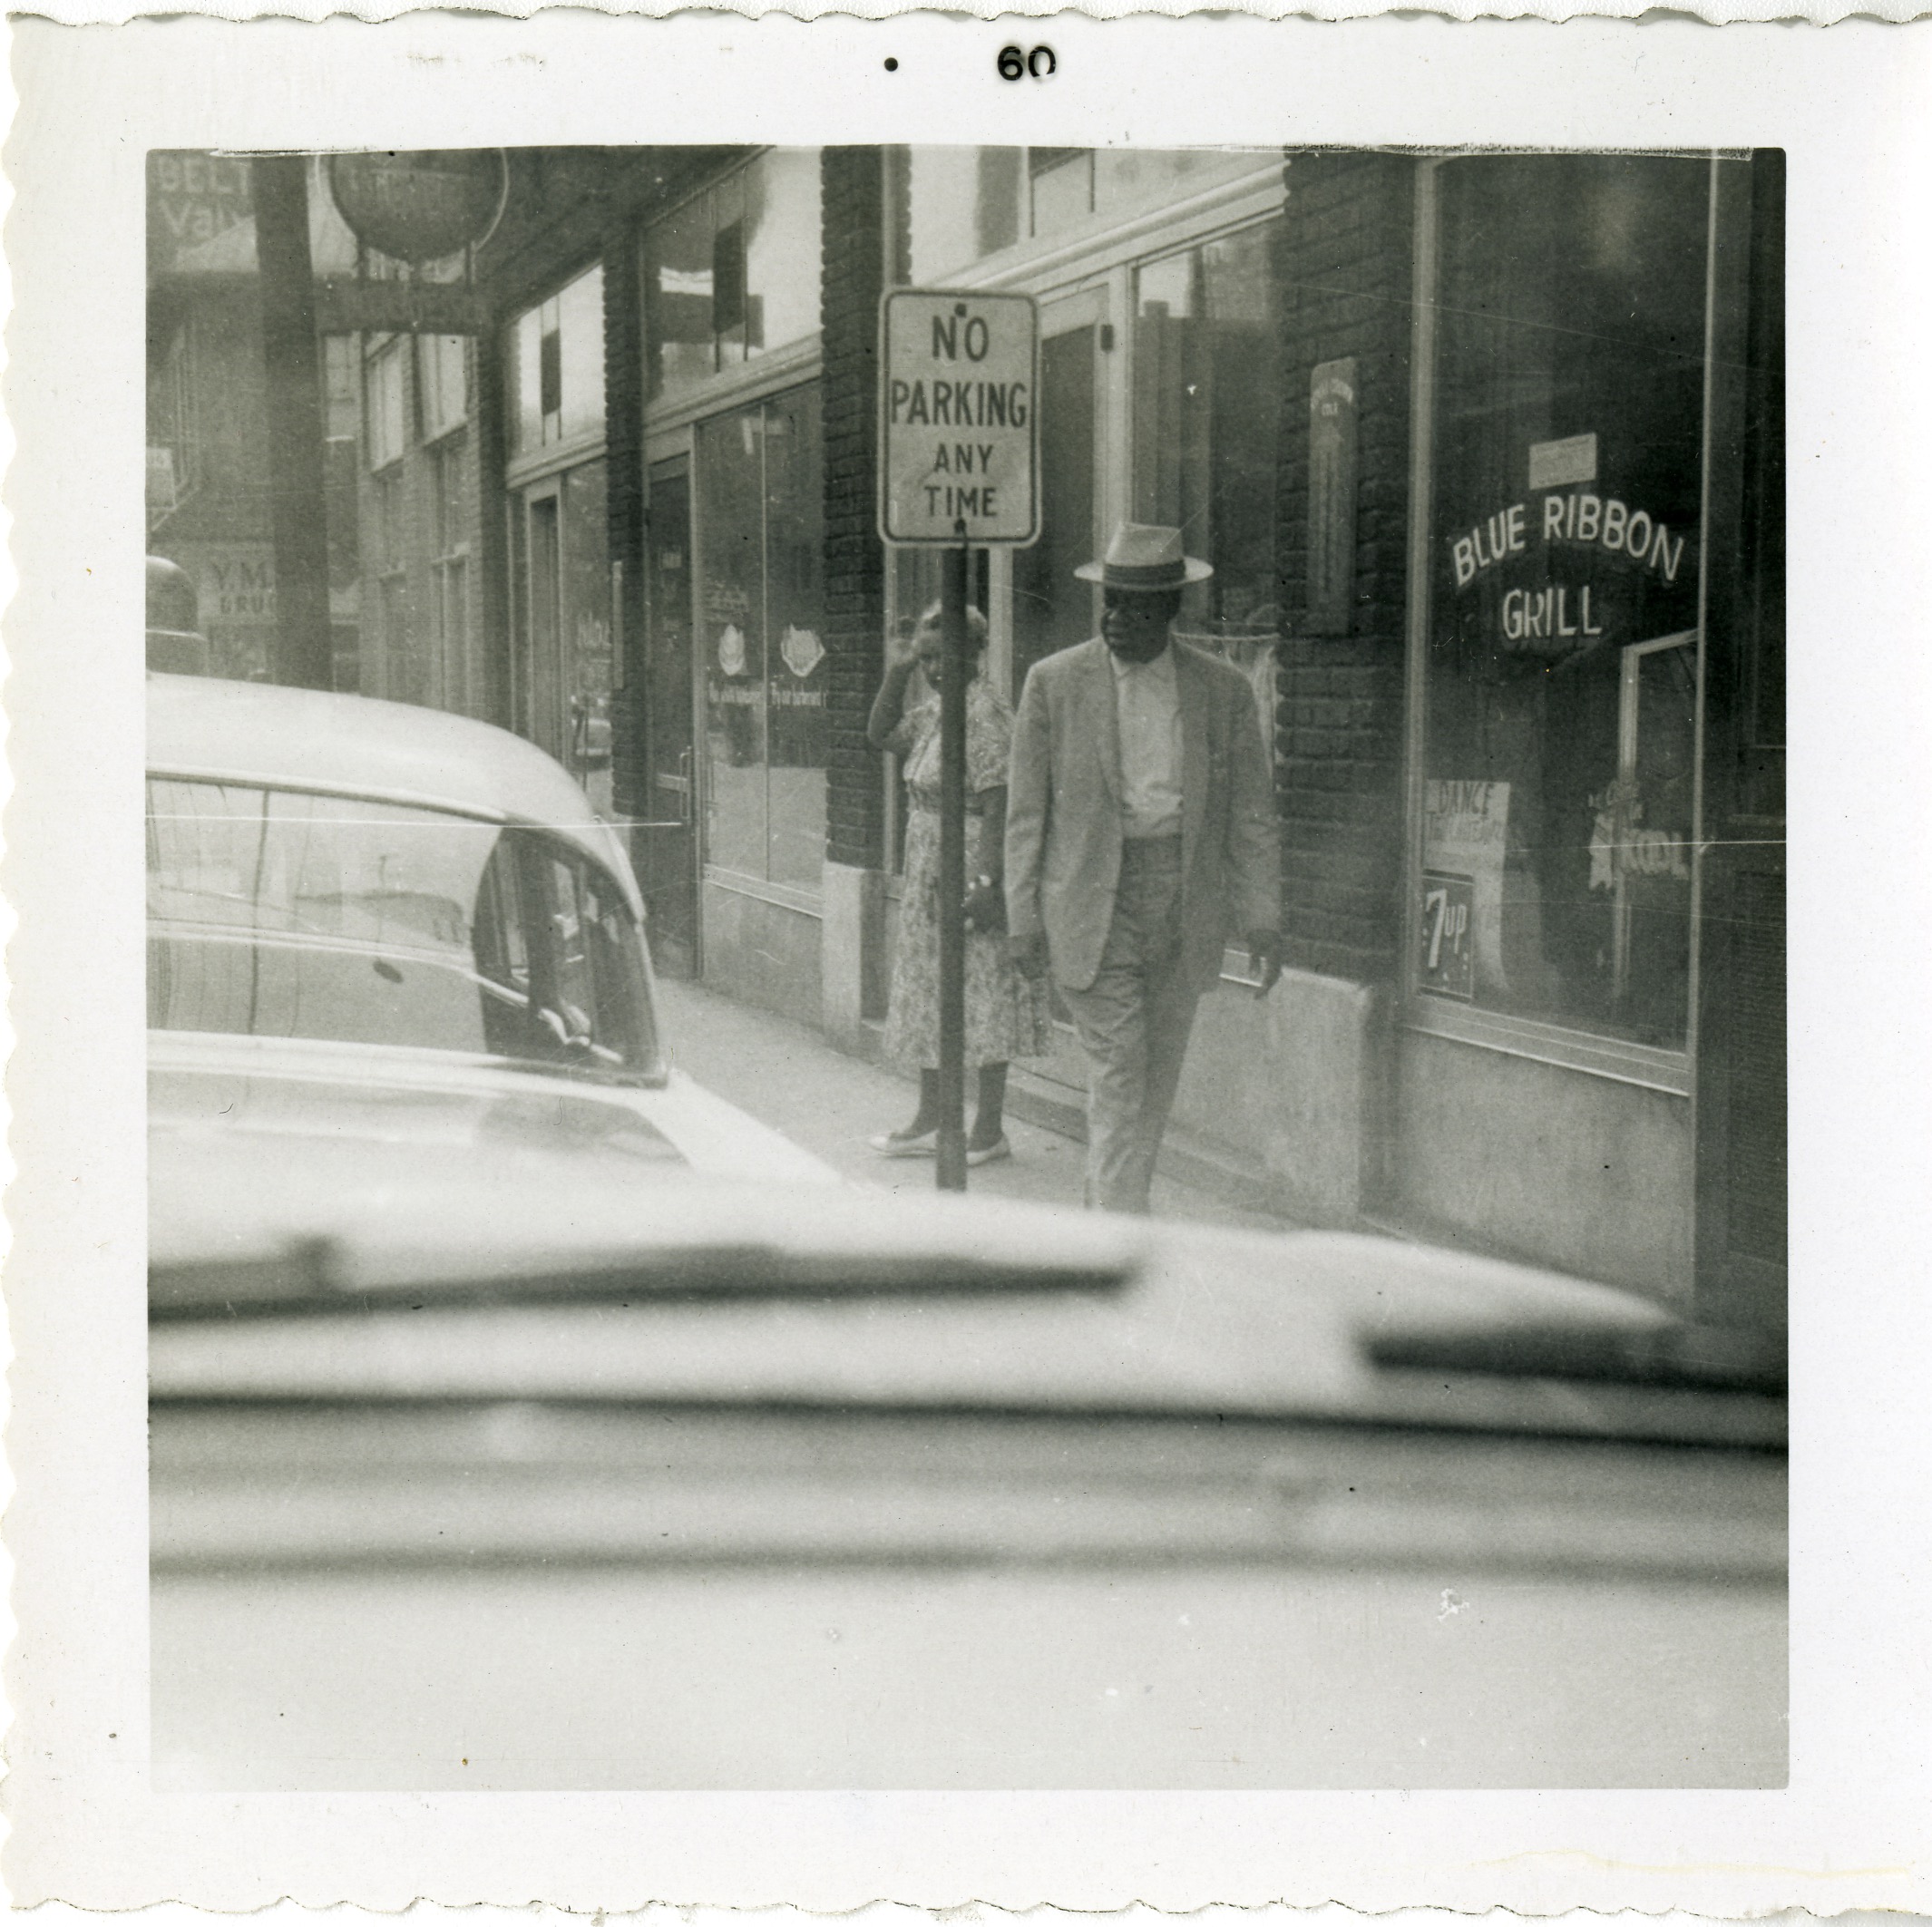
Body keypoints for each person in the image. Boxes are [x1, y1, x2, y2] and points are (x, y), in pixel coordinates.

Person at [1005, 523, 1283, 1213]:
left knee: (1153, 1089)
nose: (1115, 618)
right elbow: (1025, 815)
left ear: (1171, 609)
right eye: (1110, 600)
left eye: (1133, 604)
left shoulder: (1223, 691)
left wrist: (1263, 918)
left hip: (1184, 906)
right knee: (1122, 1079)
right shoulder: (1054, 683)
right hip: (1093, 904)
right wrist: (1020, 918)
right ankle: (1118, 1248)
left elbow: (1251, 812)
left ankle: (1115, 1214)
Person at [867, 600, 1051, 1164]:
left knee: (984, 989)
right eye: (927, 658)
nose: (935, 668)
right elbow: (881, 734)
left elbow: (1000, 800)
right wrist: (898, 668)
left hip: (971, 856)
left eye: (945, 656)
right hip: (928, 859)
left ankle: (989, 1127)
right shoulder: (937, 708)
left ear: (975, 651)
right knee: (930, 987)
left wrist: (991, 880)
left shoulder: (986, 711)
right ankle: (930, 1117)